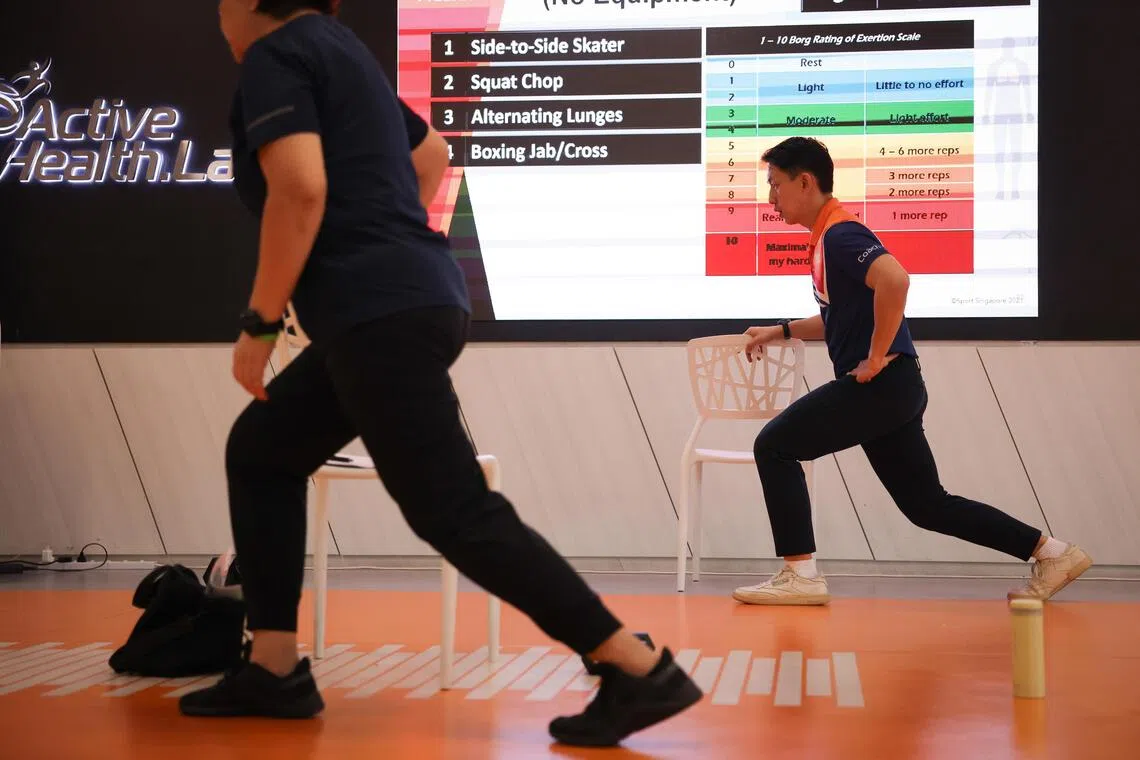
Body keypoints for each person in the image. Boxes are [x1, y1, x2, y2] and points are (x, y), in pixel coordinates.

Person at [179, 0, 702, 746]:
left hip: (378, 316)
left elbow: (298, 190)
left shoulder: (276, 56)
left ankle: (635, 665)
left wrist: (260, 324)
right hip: (416, 298)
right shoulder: (341, 51)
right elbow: (433, 157)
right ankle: (273, 666)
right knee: (263, 448)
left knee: (453, 510)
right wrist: (385, 249)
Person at [733, 136, 1091, 606]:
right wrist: (779, 330)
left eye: (775, 185)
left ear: (805, 182)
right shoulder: (827, 240)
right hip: (894, 389)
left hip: (880, 386)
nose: (771, 199)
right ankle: (1052, 552)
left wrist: (877, 355)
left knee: (774, 446)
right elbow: (837, 317)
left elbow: (896, 280)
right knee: (926, 505)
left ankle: (800, 573)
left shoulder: (841, 235)